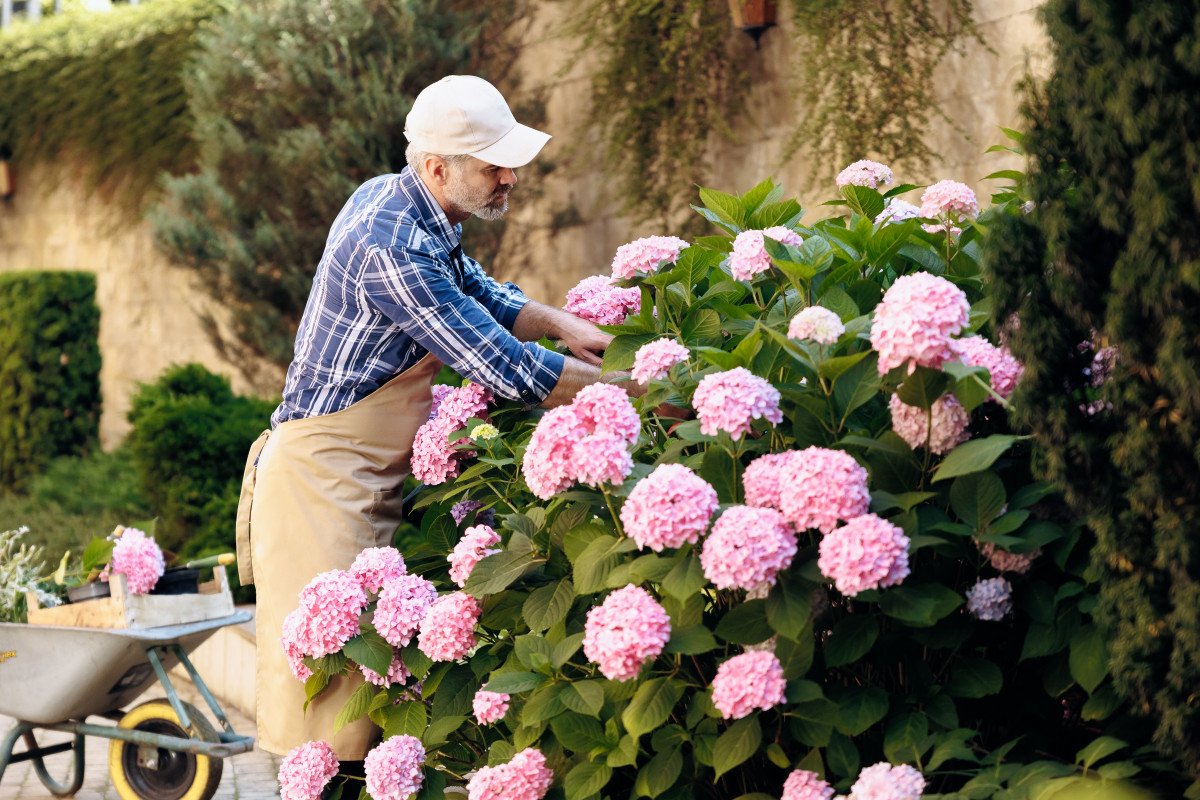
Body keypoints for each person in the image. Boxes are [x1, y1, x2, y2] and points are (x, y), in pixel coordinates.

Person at [233, 75, 623, 764]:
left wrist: (564, 324)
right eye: (492, 165)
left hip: (359, 469)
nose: (510, 177)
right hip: (320, 480)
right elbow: (502, 366)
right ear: (437, 167)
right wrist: (635, 390)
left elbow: (476, 290)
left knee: (378, 693)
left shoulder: (407, 201)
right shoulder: (391, 246)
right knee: (335, 714)